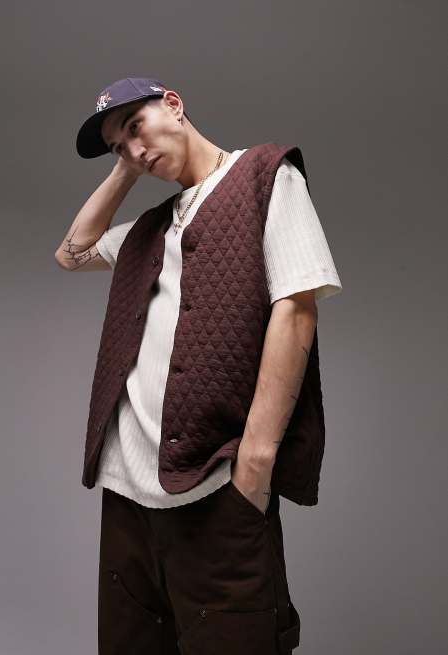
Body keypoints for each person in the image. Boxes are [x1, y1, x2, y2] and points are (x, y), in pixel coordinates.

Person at [55, 77, 342, 654]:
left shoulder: (264, 175)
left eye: (135, 127)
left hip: (214, 486)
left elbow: (296, 309)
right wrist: (127, 167)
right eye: (117, 147)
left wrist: (256, 463)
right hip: (126, 494)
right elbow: (73, 252)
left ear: (174, 104)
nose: (135, 149)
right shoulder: (150, 229)